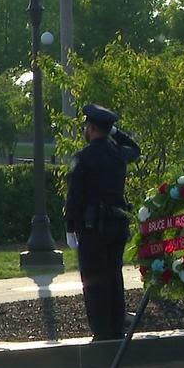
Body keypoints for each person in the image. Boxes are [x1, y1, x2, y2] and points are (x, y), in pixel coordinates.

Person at [64, 104, 140, 342]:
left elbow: (74, 196)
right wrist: (115, 132)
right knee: (114, 277)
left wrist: (70, 227)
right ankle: (116, 327)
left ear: (92, 128)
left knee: (94, 281)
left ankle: (101, 331)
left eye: (87, 126)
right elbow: (135, 149)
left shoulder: (83, 158)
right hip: (117, 225)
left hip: (93, 227)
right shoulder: (118, 154)